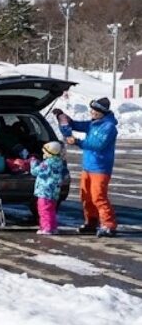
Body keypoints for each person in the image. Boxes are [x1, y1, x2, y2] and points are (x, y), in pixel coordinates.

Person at [55, 98, 119, 237]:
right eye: (92, 110)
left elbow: (97, 144)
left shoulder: (108, 127)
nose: (92, 112)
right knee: (86, 197)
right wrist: (63, 118)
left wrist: (77, 141)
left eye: (95, 111)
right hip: (88, 167)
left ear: (103, 112)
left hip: (101, 168)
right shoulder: (93, 123)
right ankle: (91, 222)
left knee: (98, 197)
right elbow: (77, 125)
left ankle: (109, 225)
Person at [29, 141, 67, 236]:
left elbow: (35, 171)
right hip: (54, 191)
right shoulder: (60, 162)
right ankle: (53, 227)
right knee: (51, 210)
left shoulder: (47, 163)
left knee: (44, 210)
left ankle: (46, 228)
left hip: (44, 191)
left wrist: (33, 162)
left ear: (49, 153)